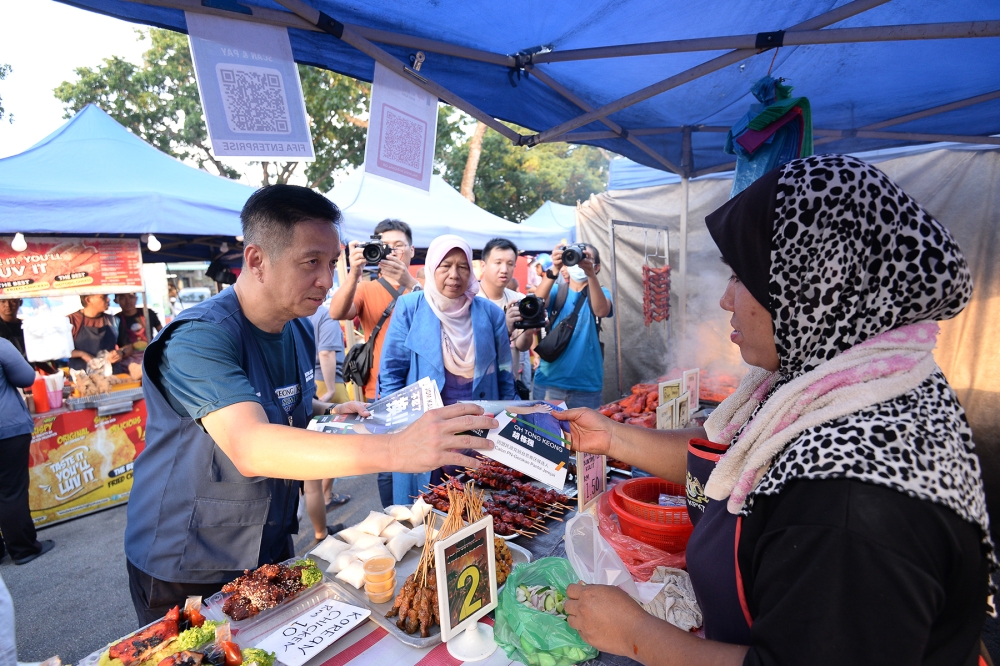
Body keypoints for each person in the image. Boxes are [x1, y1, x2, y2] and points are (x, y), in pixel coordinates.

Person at [556, 155, 993, 665]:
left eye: (741, 277)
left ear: (812, 286)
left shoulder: (850, 497)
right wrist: (612, 438)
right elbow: (731, 460)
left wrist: (633, 631)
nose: (724, 300)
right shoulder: (852, 383)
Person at [124, 186, 497, 624]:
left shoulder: (294, 328)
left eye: (331, 263)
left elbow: (278, 406)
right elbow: (251, 445)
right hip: (187, 558)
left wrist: (325, 410)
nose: (327, 280)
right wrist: (398, 448)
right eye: (310, 263)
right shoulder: (199, 337)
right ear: (257, 260)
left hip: (266, 541)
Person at [380, 234, 516, 504]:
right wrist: (400, 433)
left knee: (478, 506)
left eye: (462, 266)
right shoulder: (410, 308)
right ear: (432, 267)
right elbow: (391, 375)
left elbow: (504, 376)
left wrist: (514, 429)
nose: (454, 274)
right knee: (424, 511)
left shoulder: (490, 314)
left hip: (480, 431)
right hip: (425, 431)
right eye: (445, 265)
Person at [329, 218, 419, 508]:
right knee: (385, 461)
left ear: (412, 250)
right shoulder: (366, 289)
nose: (392, 253)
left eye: (399, 246)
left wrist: (409, 282)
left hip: (420, 388)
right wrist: (354, 273)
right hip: (379, 390)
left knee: (421, 457)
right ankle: (393, 516)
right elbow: (337, 312)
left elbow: (437, 317)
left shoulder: (423, 286)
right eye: (386, 247)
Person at [533, 243, 612, 409]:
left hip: (586, 386)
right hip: (550, 381)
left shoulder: (601, 292)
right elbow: (537, 303)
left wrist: (590, 275)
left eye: (586, 258)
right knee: (545, 433)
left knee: (585, 434)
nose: (579, 262)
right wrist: (554, 268)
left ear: (596, 267)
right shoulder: (557, 290)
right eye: (576, 256)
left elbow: (601, 310)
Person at [0, 337, 54, 565]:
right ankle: (23, 548)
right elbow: (26, 378)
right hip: (6, 428)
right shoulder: (1, 345)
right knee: (11, 491)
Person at [303, 300, 351, 546]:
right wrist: (331, 389)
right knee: (326, 459)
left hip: (304, 392)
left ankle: (326, 501)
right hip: (324, 386)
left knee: (306, 476)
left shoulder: (292, 317)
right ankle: (322, 526)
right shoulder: (325, 315)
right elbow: (327, 352)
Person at [477, 238, 536, 396]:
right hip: (478, 386)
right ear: (483, 265)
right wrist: (505, 329)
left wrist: (529, 331)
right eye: (498, 262)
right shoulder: (470, 299)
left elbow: (521, 346)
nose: (504, 269)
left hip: (508, 385)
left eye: (510, 264)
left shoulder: (518, 299)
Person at [68, 294, 130, 373]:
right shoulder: (71, 321)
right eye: (103, 297)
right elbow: (60, 350)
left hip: (112, 376)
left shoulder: (114, 321)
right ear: (88, 300)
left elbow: (128, 346)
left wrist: (121, 352)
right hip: (82, 378)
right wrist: (82, 354)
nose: (108, 299)